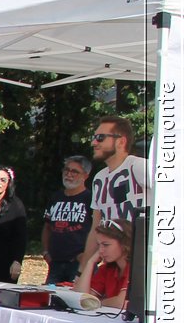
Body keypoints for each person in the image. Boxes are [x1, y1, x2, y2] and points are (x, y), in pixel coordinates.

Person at [84, 115, 148, 271]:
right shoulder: (99, 178)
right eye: (94, 138)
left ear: (121, 141)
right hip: (114, 265)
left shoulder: (138, 166)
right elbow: (95, 227)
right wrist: (83, 269)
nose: (94, 143)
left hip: (141, 262)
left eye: (100, 138)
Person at [41, 155, 93, 286]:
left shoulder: (91, 199)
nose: (69, 174)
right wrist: (46, 252)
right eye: (66, 170)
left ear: (85, 176)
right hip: (55, 263)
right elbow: (47, 227)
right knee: (49, 299)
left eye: (74, 171)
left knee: (76, 300)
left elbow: (97, 230)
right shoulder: (55, 198)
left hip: (78, 264)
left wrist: (87, 256)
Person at [74, 219, 132, 309]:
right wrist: (90, 262)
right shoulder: (107, 269)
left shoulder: (135, 269)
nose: (100, 251)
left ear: (124, 243)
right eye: (99, 245)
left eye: (106, 245)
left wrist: (97, 302)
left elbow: (122, 303)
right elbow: (80, 298)